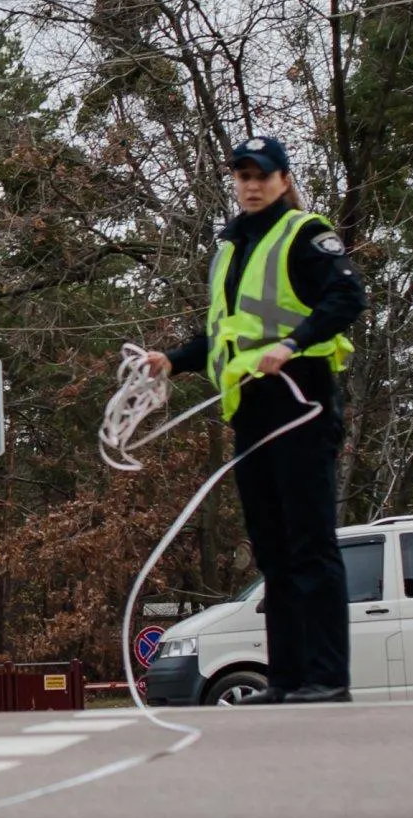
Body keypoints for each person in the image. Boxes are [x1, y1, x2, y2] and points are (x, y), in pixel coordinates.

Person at [147, 137, 366, 703]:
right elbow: (224, 333)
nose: (250, 184)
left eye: (261, 175)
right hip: (249, 412)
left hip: (300, 402)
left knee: (310, 543)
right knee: (272, 551)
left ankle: (326, 678)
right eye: (243, 175)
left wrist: (294, 344)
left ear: (284, 179)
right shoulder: (231, 247)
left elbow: (346, 298)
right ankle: (289, 678)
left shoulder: (304, 233)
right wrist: (173, 360)